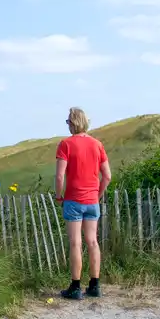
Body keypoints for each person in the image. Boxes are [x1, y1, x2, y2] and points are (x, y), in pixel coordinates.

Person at [54, 107, 111, 300]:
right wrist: (98, 194)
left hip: (73, 200)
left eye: (68, 122)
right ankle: (95, 285)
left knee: (75, 243)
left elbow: (60, 176)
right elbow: (107, 176)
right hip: (92, 201)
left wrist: (59, 196)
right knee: (93, 241)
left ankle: (75, 287)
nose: (68, 125)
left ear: (73, 123)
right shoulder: (97, 144)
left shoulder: (65, 144)